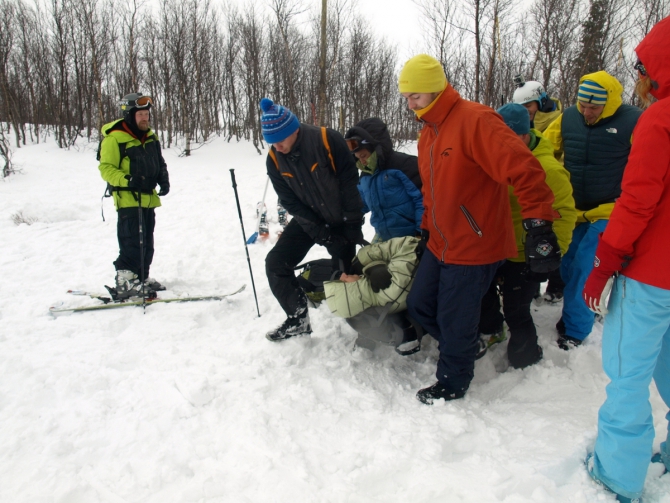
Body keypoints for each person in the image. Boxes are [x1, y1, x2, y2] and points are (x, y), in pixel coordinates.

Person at [398, 54, 560, 404]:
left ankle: (454, 381)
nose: (410, 103)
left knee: (454, 317)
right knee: (421, 304)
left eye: (416, 95)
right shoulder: (429, 132)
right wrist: (426, 229)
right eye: (406, 96)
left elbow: (525, 169)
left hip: (475, 242)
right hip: (441, 240)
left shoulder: (476, 121)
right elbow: (432, 190)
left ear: (436, 89)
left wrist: (538, 224)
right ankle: (467, 345)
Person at [582, 16, 670, 503]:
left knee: (628, 374)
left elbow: (637, 201)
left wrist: (605, 261)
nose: (637, 75)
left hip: (651, 276)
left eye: (642, 65)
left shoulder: (659, 118)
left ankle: (617, 474)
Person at [544, 72, 642, 350]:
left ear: (608, 104)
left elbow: (649, 163)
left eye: (594, 108)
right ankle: (581, 308)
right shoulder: (568, 117)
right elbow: (545, 150)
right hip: (573, 209)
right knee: (566, 265)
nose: (587, 112)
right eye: (583, 105)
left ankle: (575, 330)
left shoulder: (633, 121)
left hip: (611, 209)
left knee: (586, 266)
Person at [478, 103, 577, 369]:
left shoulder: (549, 170)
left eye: (506, 138)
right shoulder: (493, 161)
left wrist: (549, 256)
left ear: (523, 135)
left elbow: (566, 215)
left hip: (525, 255)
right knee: (479, 292)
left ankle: (527, 359)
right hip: (495, 247)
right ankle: (492, 329)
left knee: (516, 308)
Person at [260, 98, 364, 342]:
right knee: (276, 263)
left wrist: (351, 226)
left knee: (345, 277)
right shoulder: (274, 160)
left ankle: (366, 328)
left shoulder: (328, 140)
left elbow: (350, 184)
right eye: (271, 142)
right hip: (310, 221)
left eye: (280, 140)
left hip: (341, 219)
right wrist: (322, 234)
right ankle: (297, 319)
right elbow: (291, 203)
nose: (277, 147)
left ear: (294, 130)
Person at [98, 92, 169, 300]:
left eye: (147, 114)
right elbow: (106, 169)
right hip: (128, 199)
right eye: (140, 115)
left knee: (146, 242)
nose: (145, 118)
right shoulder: (114, 139)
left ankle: (140, 277)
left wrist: (163, 179)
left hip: (148, 198)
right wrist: (127, 179)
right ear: (130, 115)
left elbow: (160, 162)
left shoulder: (151, 136)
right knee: (132, 241)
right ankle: (126, 282)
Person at [513, 76, 566, 303]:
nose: (526, 111)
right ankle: (532, 286)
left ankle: (555, 284)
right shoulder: (521, 124)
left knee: (553, 235)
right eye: (522, 108)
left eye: (529, 106)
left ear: (541, 101)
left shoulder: (560, 121)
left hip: (553, 179)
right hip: (532, 180)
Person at [324, 235, 422, 355]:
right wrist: (366, 257)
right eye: (343, 281)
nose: (343, 275)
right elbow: (410, 245)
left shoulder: (377, 299)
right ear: (353, 292)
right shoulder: (389, 288)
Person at [344, 118, 423, 243]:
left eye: (364, 156)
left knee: (398, 264)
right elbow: (360, 203)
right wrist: (345, 216)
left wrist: (421, 233)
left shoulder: (405, 166)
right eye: (358, 158)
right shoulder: (366, 175)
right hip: (384, 236)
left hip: (411, 236)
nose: (362, 161)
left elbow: (422, 201)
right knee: (360, 261)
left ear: (376, 148)